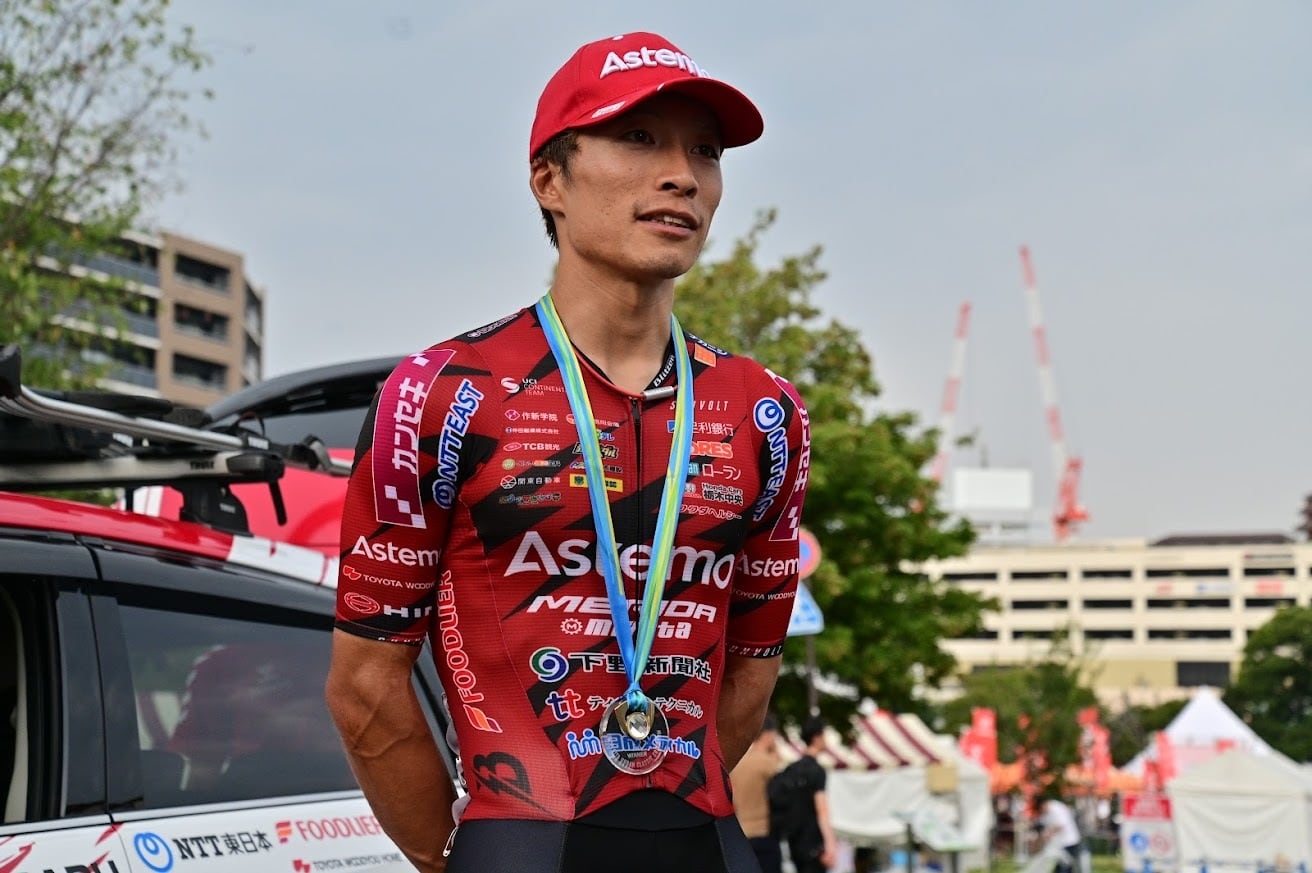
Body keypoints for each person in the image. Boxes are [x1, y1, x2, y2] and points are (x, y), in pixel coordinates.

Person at [325, 29, 811, 873]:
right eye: (639, 138)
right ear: (549, 179)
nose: (682, 175)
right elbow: (366, 686)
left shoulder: (765, 412)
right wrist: (457, 855)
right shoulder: (440, 392)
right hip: (520, 843)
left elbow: (751, 674)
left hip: (707, 843)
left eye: (705, 151)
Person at [730, 713, 783, 873]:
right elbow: (782, 785)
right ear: (768, 734)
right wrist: (775, 753)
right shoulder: (768, 762)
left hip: (741, 831)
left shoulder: (738, 760)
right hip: (763, 830)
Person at [784, 715, 838, 873]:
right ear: (816, 737)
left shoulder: (792, 769)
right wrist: (830, 844)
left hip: (794, 841)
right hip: (813, 843)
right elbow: (822, 810)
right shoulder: (817, 771)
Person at [1038, 791, 1083, 873]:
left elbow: (1061, 825)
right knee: (1060, 867)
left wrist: (1048, 833)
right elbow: (1042, 822)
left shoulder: (1056, 808)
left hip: (1069, 841)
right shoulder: (1048, 811)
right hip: (1060, 843)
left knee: (1064, 867)